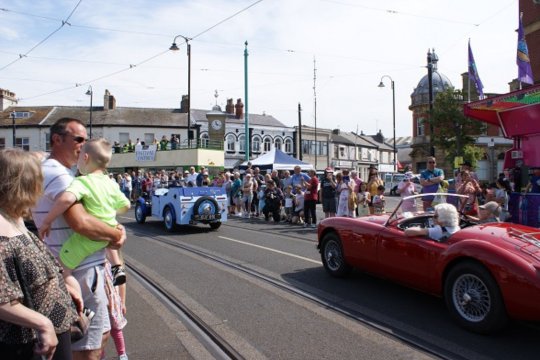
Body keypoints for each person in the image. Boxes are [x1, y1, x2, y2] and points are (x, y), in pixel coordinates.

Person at [32, 117, 126, 359]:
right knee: (88, 348)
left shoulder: (65, 172)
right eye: (79, 139)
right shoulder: (58, 175)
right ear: (57, 139)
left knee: (96, 338)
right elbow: (81, 222)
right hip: (79, 270)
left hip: (81, 267)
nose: (83, 146)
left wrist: (112, 230)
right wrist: (115, 234)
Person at [0, 148, 77, 360]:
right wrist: (43, 324)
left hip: (48, 336)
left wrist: (66, 283)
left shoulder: (15, 219)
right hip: (28, 343)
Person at [38, 138, 131, 286]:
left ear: (85, 158)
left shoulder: (83, 182)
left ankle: (77, 300)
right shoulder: (111, 183)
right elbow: (126, 205)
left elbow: (66, 200)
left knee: (62, 270)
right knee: (108, 242)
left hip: (88, 237)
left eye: (79, 157)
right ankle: (117, 267)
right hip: (109, 230)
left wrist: (47, 221)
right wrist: (112, 211)